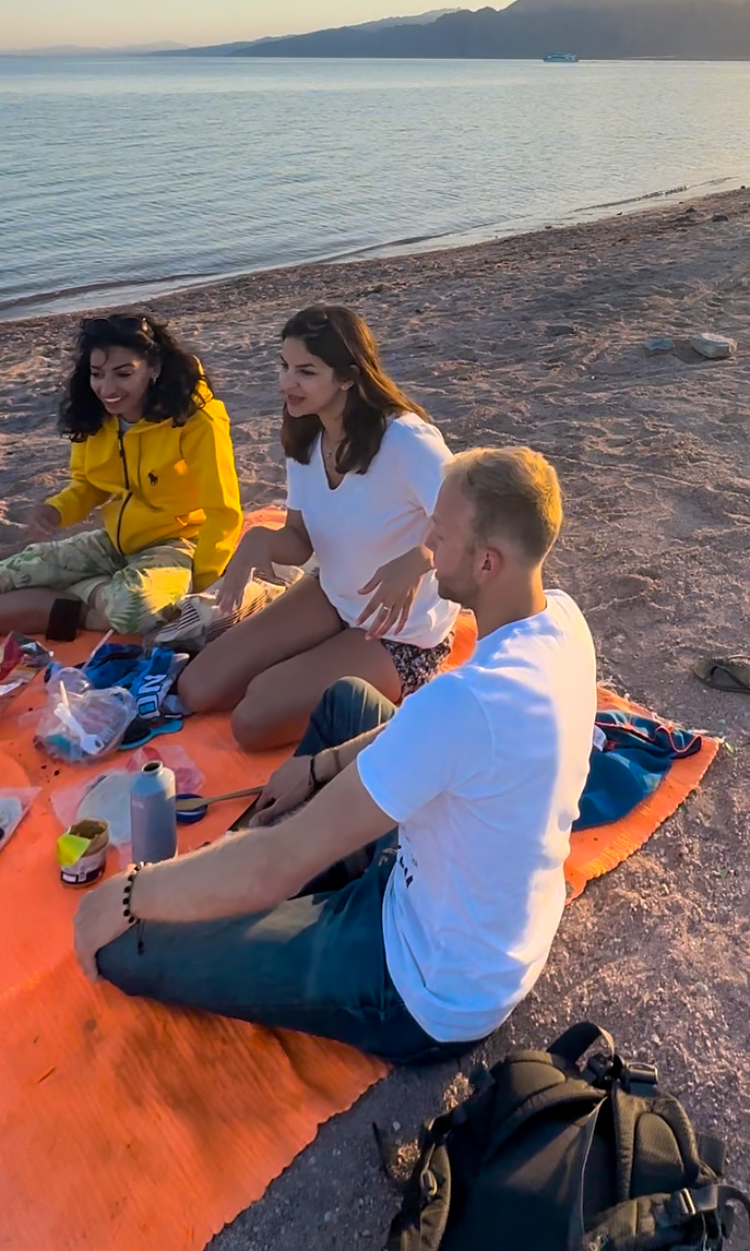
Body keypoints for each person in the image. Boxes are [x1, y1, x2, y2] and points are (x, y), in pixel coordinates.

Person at [75, 447, 597, 1064]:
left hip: (422, 982)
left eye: (442, 532)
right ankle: (250, 877)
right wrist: (320, 767)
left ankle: (240, 887)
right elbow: (432, 737)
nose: (426, 540)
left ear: (488, 562)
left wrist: (127, 893)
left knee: (133, 943)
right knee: (350, 700)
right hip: (476, 906)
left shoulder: (464, 702)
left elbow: (281, 864)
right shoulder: (561, 620)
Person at [177, 305, 457, 749]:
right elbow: (299, 540)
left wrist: (419, 558)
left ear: (347, 376)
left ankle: (350, 675)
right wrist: (258, 540)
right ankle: (308, 659)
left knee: (252, 720)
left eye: (306, 371)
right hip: (332, 593)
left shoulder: (406, 440)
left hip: (399, 633)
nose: (288, 383)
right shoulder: (307, 437)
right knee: (198, 687)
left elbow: (471, 519)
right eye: (284, 367)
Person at [0, 314, 241, 636]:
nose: (107, 389)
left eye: (123, 374)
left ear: (154, 368)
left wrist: (202, 583)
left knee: (133, 608)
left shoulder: (195, 422)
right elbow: (90, 485)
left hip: (177, 543)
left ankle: (84, 601)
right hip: (114, 541)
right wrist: (55, 510)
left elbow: (223, 511)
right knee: (6, 574)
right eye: (97, 374)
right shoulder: (96, 415)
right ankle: (94, 594)